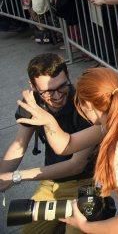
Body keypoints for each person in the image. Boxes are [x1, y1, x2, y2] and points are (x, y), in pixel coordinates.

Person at [17, 67, 118, 233]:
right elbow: (66, 145)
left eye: (78, 102)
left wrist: (85, 226)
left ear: (87, 104)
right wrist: (48, 120)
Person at [0, 53, 94, 234]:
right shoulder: (32, 104)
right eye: (48, 92)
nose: (57, 96)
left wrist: (16, 177)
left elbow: (77, 165)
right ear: (33, 87)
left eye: (62, 86)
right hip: (51, 182)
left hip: (86, 183)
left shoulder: (84, 104)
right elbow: (19, 144)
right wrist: (3, 174)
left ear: (68, 77)